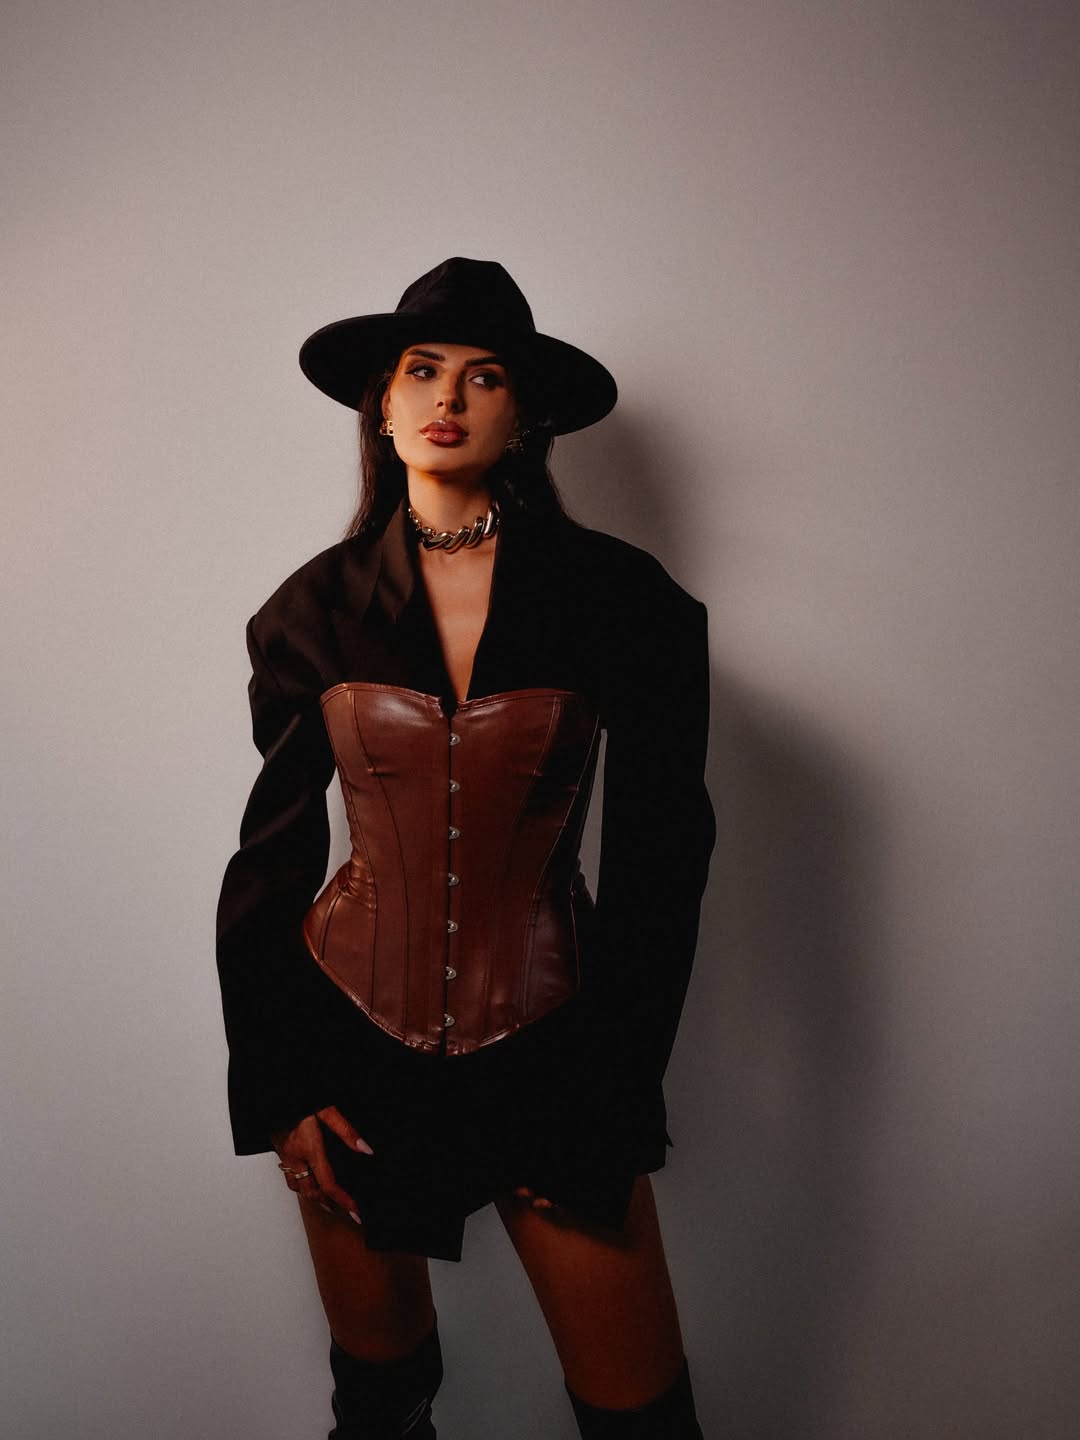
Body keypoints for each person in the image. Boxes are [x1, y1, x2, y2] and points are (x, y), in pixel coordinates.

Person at [215, 257, 716, 1438]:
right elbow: (271, 863)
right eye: (422, 371)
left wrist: (616, 1090)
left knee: (644, 1421)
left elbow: (663, 858)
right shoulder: (309, 610)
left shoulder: (624, 600)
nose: (449, 397)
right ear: (382, 405)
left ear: (525, 413)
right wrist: (282, 1086)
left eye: (485, 377)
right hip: (350, 1052)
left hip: (553, 1055)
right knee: (382, 1409)